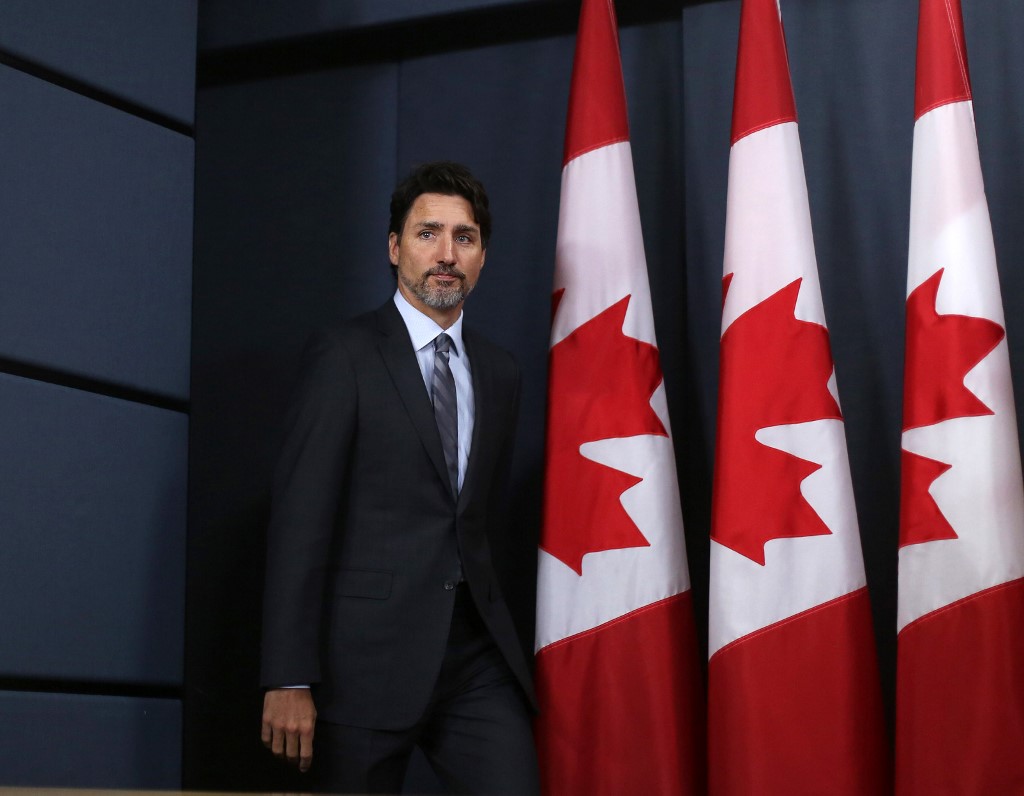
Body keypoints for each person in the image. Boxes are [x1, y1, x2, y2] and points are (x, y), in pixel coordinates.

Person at [259, 161, 539, 794]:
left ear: (483, 256)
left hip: (475, 661)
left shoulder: (501, 372)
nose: (446, 254)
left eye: (463, 237)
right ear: (394, 248)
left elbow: (480, 522)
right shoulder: (345, 355)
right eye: (427, 233)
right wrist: (289, 675)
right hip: (364, 662)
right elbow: (300, 522)